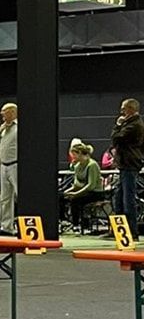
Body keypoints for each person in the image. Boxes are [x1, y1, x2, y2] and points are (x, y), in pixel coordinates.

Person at [110, 98, 144, 238]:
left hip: (129, 165)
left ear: (131, 109)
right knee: (118, 198)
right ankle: (119, 230)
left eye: (124, 108)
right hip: (125, 165)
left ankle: (132, 231)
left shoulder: (134, 125)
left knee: (127, 199)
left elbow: (117, 138)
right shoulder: (132, 123)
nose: (121, 111)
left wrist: (118, 125)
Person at [0, 103, 19, 235]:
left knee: (19, 194)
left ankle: (24, 224)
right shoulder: (4, 129)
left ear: (12, 112)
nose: (1, 114)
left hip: (16, 164)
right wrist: (0, 129)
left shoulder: (19, 128)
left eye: (4, 111)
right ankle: (7, 227)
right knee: (5, 198)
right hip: (4, 165)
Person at [62, 143, 104, 230]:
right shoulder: (77, 166)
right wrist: (66, 192)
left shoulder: (92, 165)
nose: (73, 157)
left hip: (95, 193)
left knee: (75, 200)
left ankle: (76, 225)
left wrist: (75, 194)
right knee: (61, 197)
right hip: (83, 191)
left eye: (74, 155)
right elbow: (76, 184)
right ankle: (63, 220)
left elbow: (90, 186)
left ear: (80, 153)